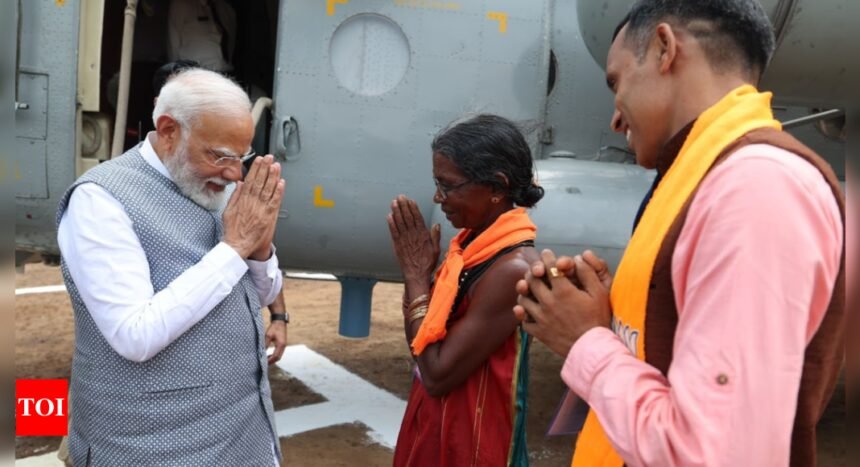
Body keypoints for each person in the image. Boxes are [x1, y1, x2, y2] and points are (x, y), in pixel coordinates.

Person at [514, 1, 845, 466]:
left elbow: (711, 454)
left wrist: (585, 341)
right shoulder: (705, 174)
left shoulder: (755, 188)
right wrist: (615, 312)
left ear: (665, 48)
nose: (615, 118)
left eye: (617, 82)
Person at [57, 68, 286, 465]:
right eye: (220, 156)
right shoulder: (100, 200)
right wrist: (234, 249)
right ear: (168, 131)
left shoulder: (219, 184)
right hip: (152, 449)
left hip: (243, 436)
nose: (235, 174)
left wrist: (260, 253)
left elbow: (258, 296)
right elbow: (135, 334)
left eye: (242, 157)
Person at [387, 114, 545, 466]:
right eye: (436, 183)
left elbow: (436, 373)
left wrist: (416, 279)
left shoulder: (511, 270)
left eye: (449, 185)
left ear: (497, 188)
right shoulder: (469, 249)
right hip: (441, 429)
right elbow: (422, 352)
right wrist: (422, 280)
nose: (438, 197)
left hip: (471, 445)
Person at [167, 0, 236, 73]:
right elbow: (172, 45)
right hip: (194, 74)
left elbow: (232, 41)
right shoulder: (181, 4)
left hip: (226, 72)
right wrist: (175, 74)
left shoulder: (226, 8)